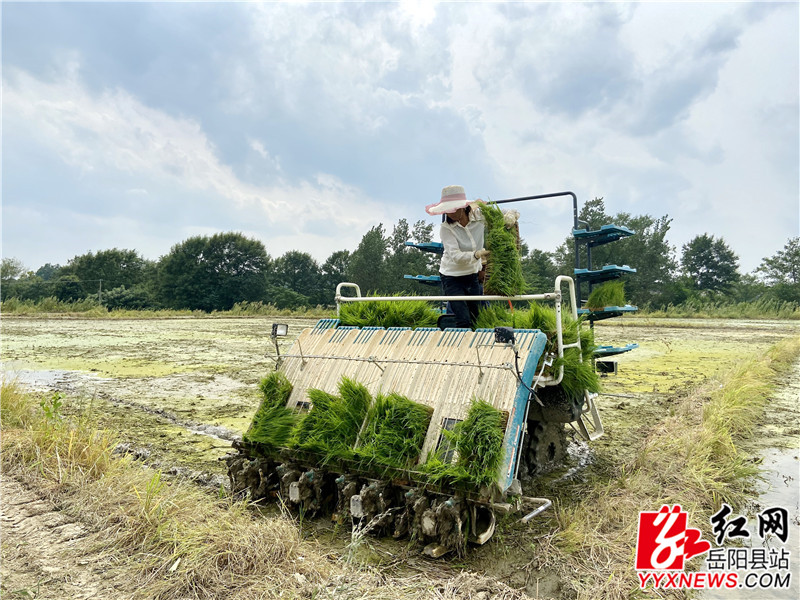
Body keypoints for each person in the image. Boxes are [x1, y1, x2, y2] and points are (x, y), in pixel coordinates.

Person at [425, 185, 489, 329]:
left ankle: (475, 348)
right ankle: (462, 349)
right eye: (447, 210)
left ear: (463, 207)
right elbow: (455, 256)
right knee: (463, 319)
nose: (451, 213)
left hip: (472, 274)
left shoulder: (479, 217)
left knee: (476, 317)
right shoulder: (446, 228)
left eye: (453, 209)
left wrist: (509, 216)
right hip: (452, 277)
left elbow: (499, 217)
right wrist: (476, 254)